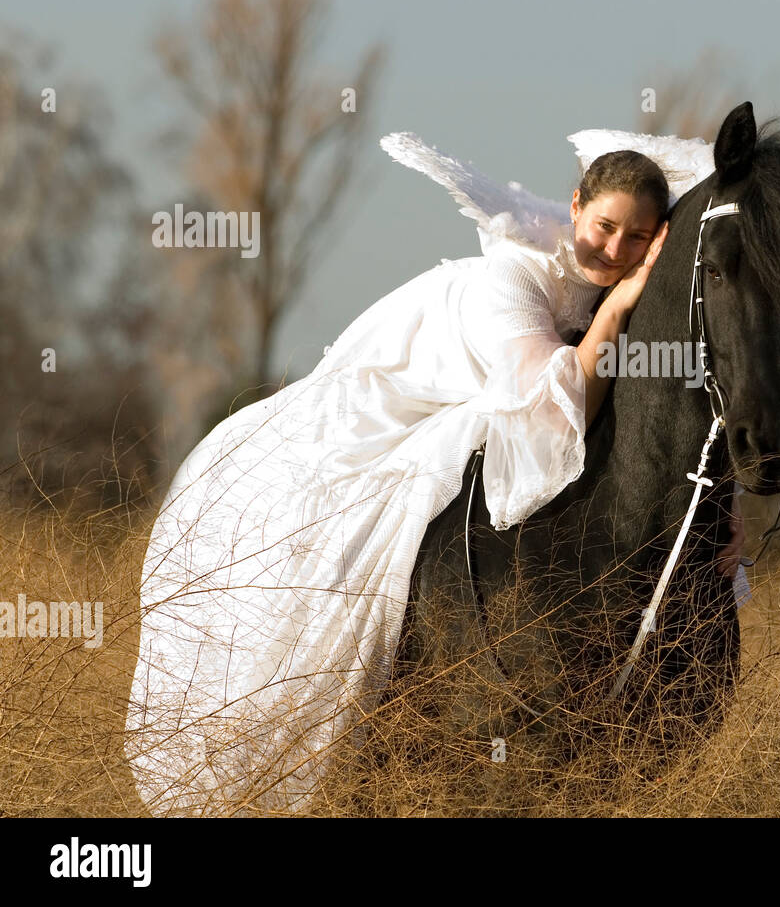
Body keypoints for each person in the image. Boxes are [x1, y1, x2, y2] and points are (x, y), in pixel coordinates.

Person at [125, 130, 745, 815]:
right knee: (352, 517)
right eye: (604, 227)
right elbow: (552, 411)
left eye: (637, 238)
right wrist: (624, 303)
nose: (616, 251)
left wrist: (722, 508)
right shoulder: (514, 273)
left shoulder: (618, 278)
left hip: (501, 399)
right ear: (575, 207)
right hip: (411, 389)